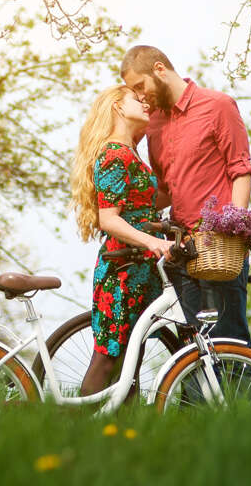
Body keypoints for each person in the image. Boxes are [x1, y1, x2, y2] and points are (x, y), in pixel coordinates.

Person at [120, 44, 251, 346]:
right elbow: (166, 190)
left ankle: (248, 392)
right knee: (192, 351)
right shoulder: (153, 122)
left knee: (229, 342)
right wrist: (121, 214)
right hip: (180, 248)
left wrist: (234, 229)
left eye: (140, 86)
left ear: (159, 69)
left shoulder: (217, 106)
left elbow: (240, 171)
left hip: (217, 245)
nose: (141, 96)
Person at [70, 84, 173, 395]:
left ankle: (123, 434)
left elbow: (141, 204)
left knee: (131, 361)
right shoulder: (114, 154)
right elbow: (109, 219)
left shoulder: (130, 152)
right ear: (116, 107)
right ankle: (70, 427)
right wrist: (153, 241)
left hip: (139, 268)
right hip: (122, 269)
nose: (145, 103)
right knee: (107, 359)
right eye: (136, 99)